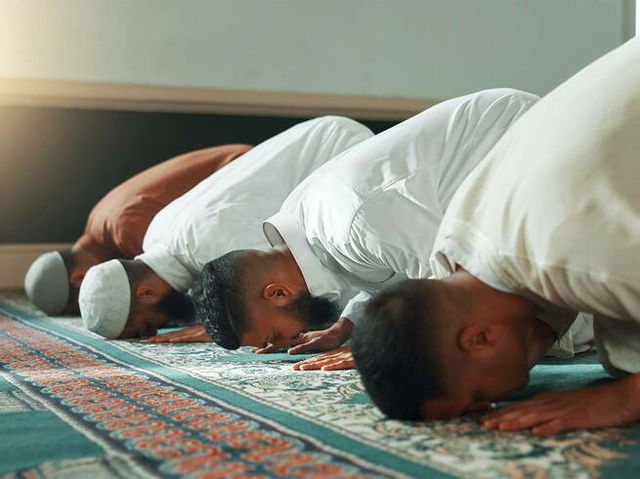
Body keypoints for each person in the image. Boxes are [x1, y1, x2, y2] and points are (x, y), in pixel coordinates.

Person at [352, 38, 640, 434]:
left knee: (627, 363)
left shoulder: (570, 256)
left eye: (476, 397)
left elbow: (570, 262)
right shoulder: (459, 245)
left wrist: (625, 398)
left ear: (480, 338)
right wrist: (532, 337)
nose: (486, 404)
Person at [191, 89, 543, 370]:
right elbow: (389, 266)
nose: (285, 342)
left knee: (498, 327)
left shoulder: (351, 222)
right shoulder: (310, 228)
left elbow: (448, 289)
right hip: (493, 166)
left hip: (520, 141)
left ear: (277, 294)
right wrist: (348, 327)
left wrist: (383, 351)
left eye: (272, 336)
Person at [78, 116, 373, 339]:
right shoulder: (158, 234)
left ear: (145, 294)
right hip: (326, 134)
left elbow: (298, 282)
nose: (155, 332)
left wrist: (236, 324)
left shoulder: (211, 247)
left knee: (351, 292)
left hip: (343, 154)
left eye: (144, 326)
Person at [24, 144, 252, 316]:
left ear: (80, 279)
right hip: (239, 163)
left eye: (82, 304)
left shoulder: (128, 230)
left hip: (243, 170)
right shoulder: (98, 221)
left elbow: (187, 275)